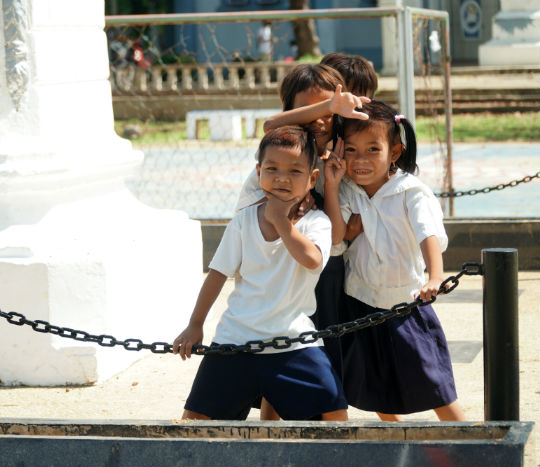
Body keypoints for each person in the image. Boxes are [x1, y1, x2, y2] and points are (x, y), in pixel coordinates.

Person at [173, 126, 348, 422]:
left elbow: (312, 260)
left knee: (334, 414)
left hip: (294, 342)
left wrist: (281, 220)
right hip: (235, 340)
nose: (282, 178)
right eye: (272, 168)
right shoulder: (243, 221)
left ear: (312, 179)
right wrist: (195, 324)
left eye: (295, 171)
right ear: (258, 172)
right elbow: (217, 275)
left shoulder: (317, 222)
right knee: (194, 422)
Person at [234, 63, 369, 420]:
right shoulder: (281, 158)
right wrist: (330, 105)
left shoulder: (338, 158)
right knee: (275, 354)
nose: (321, 119)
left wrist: (332, 185)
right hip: (275, 270)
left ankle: (329, 432)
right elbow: (270, 125)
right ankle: (271, 429)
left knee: (318, 361)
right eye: (311, 110)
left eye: (329, 109)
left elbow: (335, 239)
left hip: (323, 272)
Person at [322, 100, 466, 422]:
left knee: (434, 384)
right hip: (360, 301)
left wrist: (435, 276)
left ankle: (467, 437)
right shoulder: (348, 189)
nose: (361, 160)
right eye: (351, 150)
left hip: (404, 304)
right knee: (375, 383)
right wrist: (331, 184)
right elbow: (335, 237)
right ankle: (395, 438)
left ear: (395, 152)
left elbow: (428, 234)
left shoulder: (410, 191)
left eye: (373, 149)